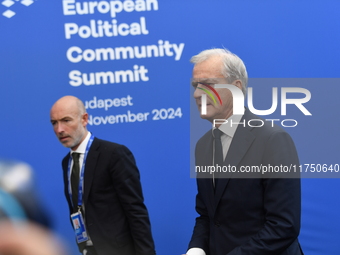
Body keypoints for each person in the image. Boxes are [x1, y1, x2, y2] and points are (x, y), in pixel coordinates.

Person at [185, 49, 303, 255]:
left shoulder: (273, 139)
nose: (197, 94)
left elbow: (283, 226)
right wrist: (196, 249)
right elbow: (207, 215)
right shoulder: (203, 146)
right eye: (196, 85)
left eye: (208, 84)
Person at [50, 96, 156, 255]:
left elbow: (135, 210)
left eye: (66, 120)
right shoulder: (67, 162)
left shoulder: (114, 154)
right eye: (54, 123)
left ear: (84, 119)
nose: (59, 129)